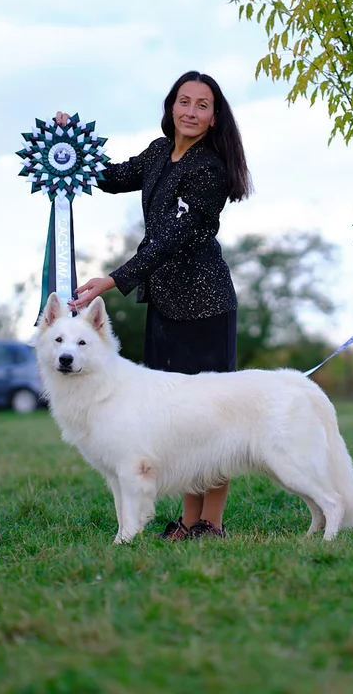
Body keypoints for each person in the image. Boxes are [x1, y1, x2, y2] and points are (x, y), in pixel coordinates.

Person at [56, 70, 253, 540]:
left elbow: (170, 240)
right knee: (174, 419)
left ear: (213, 117)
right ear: (171, 107)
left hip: (204, 307)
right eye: (183, 101)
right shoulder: (157, 152)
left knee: (212, 415)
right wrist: (68, 147)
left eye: (202, 105)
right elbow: (108, 178)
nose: (190, 111)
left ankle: (211, 522)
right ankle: (185, 523)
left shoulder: (211, 170)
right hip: (164, 305)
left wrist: (112, 279)